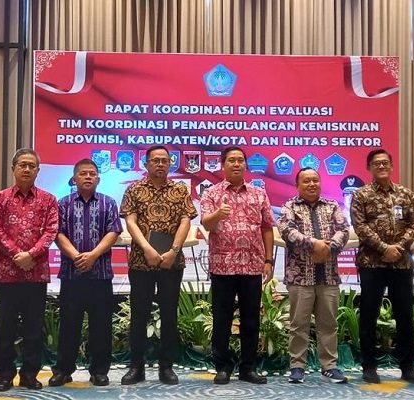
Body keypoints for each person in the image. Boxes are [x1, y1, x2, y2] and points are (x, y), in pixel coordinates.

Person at [119, 145, 196, 385]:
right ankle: (136, 367)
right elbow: (130, 221)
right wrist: (147, 249)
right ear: (146, 164)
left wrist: (174, 250)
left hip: (171, 262)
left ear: (170, 163)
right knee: (139, 315)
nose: (160, 164)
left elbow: (185, 221)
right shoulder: (134, 189)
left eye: (164, 160)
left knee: (169, 315)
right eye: (155, 160)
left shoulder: (180, 189)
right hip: (141, 261)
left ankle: (166, 367)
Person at [200, 146, 274, 385]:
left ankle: (248, 367)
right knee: (221, 319)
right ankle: (222, 367)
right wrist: (218, 214)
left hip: (252, 266)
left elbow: (267, 227)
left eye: (240, 160)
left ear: (245, 165)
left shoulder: (258, 194)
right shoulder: (211, 193)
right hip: (222, 266)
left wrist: (268, 260)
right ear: (223, 165)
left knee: (251, 320)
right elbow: (206, 224)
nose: (236, 164)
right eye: (231, 160)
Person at [350, 148, 414, 385]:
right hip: (371, 263)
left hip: (401, 263)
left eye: (385, 163)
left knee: (404, 314)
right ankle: (369, 365)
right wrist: (384, 248)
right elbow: (360, 226)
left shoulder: (405, 193)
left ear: (391, 166)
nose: (381, 166)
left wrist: (398, 248)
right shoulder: (361, 194)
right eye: (376, 163)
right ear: (369, 168)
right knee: (369, 314)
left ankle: (408, 366)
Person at [0, 148, 59, 392]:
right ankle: (5, 375)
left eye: (31, 166)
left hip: (36, 273)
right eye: (22, 165)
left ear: (38, 170)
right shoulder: (0, 198)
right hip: (7, 272)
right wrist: (18, 254)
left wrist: (31, 255)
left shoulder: (48, 200)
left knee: (34, 328)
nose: (27, 169)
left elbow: (51, 230)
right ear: (13, 168)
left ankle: (30, 374)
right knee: (4, 328)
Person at [48, 159, 121, 387]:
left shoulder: (109, 203)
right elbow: (57, 233)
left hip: (100, 275)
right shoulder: (63, 204)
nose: (88, 177)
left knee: (101, 326)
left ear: (98, 178)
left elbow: (113, 232)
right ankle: (63, 370)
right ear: (74, 178)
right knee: (69, 325)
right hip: (72, 275)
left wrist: (93, 256)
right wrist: (77, 257)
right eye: (83, 173)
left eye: (92, 173)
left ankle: (99, 371)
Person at [277, 168, 349, 384]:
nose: (311, 184)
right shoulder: (290, 206)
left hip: (328, 275)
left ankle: (329, 366)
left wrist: (329, 247)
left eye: (315, 180)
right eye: (306, 181)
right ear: (297, 186)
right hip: (300, 276)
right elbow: (287, 230)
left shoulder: (332, 205)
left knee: (329, 324)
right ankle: (297, 366)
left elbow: (344, 229)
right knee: (299, 324)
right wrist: (314, 244)